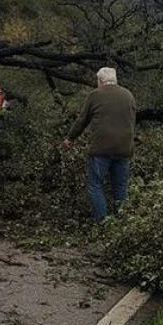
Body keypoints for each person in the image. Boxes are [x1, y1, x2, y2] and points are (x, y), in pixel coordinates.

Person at [62, 67, 136, 224]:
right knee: (120, 187)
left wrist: (70, 138)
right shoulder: (128, 95)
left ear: (101, 81)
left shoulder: (95, 95)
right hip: (124, 149)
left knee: (95, 185)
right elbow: (131, 121)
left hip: (101, 149)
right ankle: (122, 222)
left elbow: (82, 120)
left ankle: (104, 223)